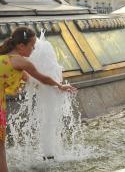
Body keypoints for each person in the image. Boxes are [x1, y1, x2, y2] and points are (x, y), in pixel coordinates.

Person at [0, 26, 77, 172]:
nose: (34, 49)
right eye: (32, 46)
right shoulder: (21, 62)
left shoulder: (7, 59)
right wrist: (60, 85)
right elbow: (43, 78)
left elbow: (31, 81)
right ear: (21, 46)